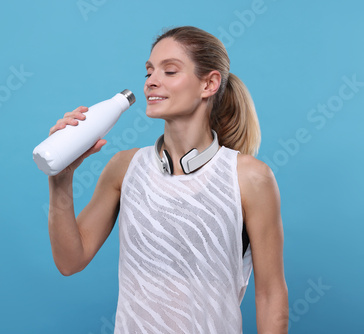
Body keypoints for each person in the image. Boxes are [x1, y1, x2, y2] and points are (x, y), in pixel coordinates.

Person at [47, 26, 288, 334]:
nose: (151, 82)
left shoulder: (250, 177)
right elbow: (70, 261)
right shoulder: (124, 167)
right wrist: (61, 180)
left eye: (170, 71)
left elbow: (270, 295)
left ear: (209, 84)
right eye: (149, 72)